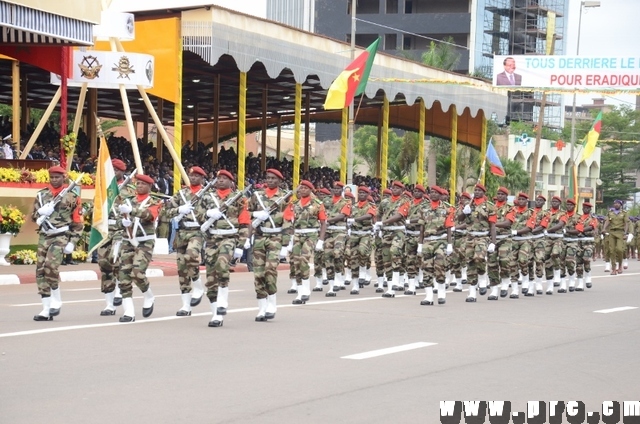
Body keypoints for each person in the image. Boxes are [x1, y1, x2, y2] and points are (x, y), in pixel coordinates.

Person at [31, 166, 83, 321]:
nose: (54, 180)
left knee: (51, 266)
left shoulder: (72, 197)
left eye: (57, 177)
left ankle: (56, 300)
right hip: (44, 236)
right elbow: (34, 217)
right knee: (40, 271)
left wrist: (72, 242)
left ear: (63, 178)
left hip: (60, 235)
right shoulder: (41, 196)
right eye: (52, 177)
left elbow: (78, 222)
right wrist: (40, 213)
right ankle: (46, 309)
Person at [199, 169, 250, 327]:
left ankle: (223, 301)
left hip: (229, 238)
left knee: (222, 264)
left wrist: (241, 245)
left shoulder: (239, 199)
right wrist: (208, 213)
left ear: (231, 182)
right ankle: (216, 315)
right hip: (212, 239)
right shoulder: (207, 197)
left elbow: (244, 222)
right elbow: (197, 216)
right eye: (218, 178)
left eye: (224, 178)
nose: (220, 180)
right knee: (211, 280)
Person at [164, 166, 210, 317]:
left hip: (198, 231)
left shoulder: (208, 194)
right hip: (182, 232)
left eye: (197, 176)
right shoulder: (182, 194)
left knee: (191, 255)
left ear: (203, 178)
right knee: (182, 269)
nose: (194, 178)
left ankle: (197, 285)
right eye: (192, 175)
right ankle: (186, 305)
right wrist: (179, 210)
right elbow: (166, 212)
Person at [247, 168, 292, 320]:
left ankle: (272, 302)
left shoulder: (285, 197)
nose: (270, 180)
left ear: (279, 181)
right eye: (268, 178)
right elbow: (245, 213)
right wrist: (255, 215)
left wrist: (286, 245)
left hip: (276, 237)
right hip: (259, 236)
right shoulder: (257, 196)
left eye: (274, 178)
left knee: (270, 270)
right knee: (258, 273)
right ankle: (261, 307)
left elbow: (288, 220)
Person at [116, 174, 161, 323]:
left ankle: (148, 296)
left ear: (149, 186)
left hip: (144, 242)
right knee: (123, 276)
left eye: (143, 184)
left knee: (137, 272)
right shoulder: (129, 201)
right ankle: (129, 312)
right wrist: (122, 222)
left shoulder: (154, 202)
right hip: (128, 241)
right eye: (138, 183)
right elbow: (116, 220)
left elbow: (150, 216)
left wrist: (131, 211)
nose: (139, 186)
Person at [97, 159, 135, 315]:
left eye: (116, 170)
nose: (113, 173)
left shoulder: (130, 189)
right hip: (106, 230)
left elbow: (136, 208)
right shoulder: (103, 189)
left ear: (122, 171)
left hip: (120, 230)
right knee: (104, 264)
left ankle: (121, 290)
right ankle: (109, 304)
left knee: (116, 259)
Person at [284, 180, 327, 305]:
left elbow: (324, 223)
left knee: (303, 260)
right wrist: (290, 240)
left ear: (310, 190)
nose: (302, 190)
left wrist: (321, 240)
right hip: (297, 234)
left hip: (311, 234)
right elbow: (290, 222)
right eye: (300, 188)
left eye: (304, 188)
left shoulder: (318, 204)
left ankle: (306, 289)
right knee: (296, 263)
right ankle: (300, 292)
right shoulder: (294, 204)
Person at [457, 183, 497, 302]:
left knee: (479, 258)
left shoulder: (489, 206)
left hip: (483, 237)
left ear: (484, 193)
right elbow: (459, 220)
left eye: (480, 190)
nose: (477, 192)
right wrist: (464, 212)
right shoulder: (469, 205)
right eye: (475, 190)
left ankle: (483, 278)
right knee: (470, 263)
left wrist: (493, 242)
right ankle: (472, 293)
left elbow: (493, 226)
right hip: (470, 237)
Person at [418, 186, 454, 305]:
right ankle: (429, 296)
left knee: (439, 266)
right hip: (428, 241)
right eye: (431, 192)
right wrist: (420, 244)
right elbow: (422, 229)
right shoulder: (424, 209)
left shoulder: (446, 209)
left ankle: (441, 293)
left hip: (441, 240)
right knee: (427, 268)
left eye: (435, 193)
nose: (433, 194)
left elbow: (448, 228)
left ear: (439, 195)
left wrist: (449, 244)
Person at [346, 186, 376, 295]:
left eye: (364, 193)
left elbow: (369, 215)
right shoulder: (353, 206)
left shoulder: (371, 206)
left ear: (367, 195)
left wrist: (354, 219)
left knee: (362, 251)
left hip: (365, 234)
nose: (362, 194)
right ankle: (355, 285)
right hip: (354, 234)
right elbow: (346, 215)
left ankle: (363, 270)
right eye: (360, 193)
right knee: (352, 258)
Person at [603, 199, 630, 275]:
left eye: (618, 203)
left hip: (620, 232)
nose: (616, 205)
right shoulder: (610, 212)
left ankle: (620, 265)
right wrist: (604, 228)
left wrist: (625, 233)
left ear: (621, 205)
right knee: (612, 251)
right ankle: (614, 269)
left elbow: (626, 223)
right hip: (612, 232)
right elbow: (607, 221)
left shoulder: (624, 213)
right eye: (615, 203)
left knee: (620, 250)